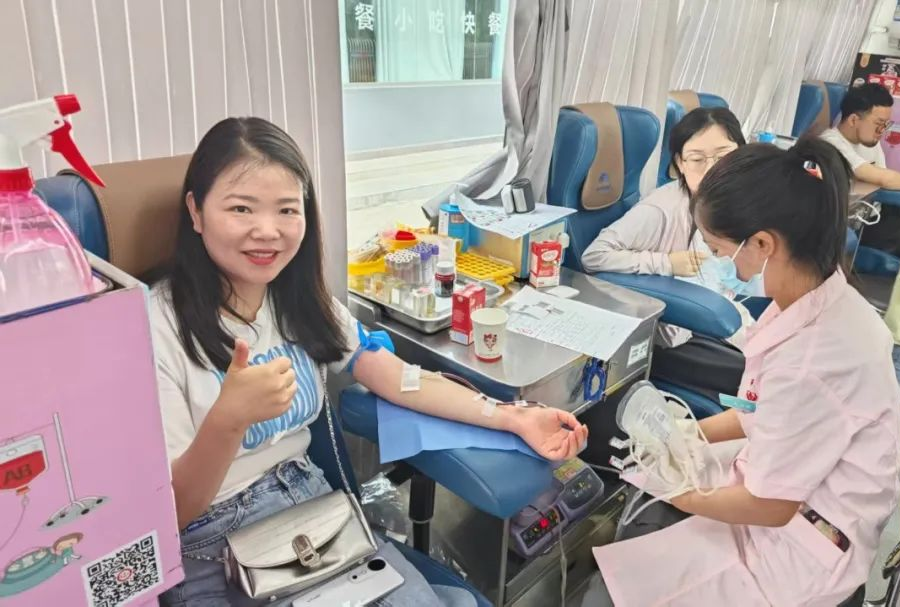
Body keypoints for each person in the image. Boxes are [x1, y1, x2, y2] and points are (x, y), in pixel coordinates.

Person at [152, 117, 588, 607]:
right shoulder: (155, 326)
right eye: (241, 208)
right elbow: (171, 514)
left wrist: (512, 416)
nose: (267, 231)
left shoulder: (297, 301)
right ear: (196, 211)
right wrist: (227, 421)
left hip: (315, 515)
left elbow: (400, 380)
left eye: (287, 210)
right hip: (212, 544)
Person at [581, 138, 900, 606]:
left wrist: (678, 491)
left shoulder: (810, 361)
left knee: (618, 589)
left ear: (764, 244)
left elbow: (770, 506)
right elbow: (759, 409)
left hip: (802, 548)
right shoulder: (822, 296)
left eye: (717, 248)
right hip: (802, 487)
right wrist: (686, 435)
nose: (714, 260)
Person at [580, 107, 748, 348]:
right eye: (697, 159)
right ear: (680, 163)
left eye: (723, 157)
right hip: (686, 327)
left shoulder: (726, 201)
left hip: (722, 307)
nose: (712, 169)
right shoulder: (661, 210)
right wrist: (666, 263)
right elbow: (594, 256)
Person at [820, 82, 900, 255]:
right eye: (879, 123)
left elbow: (886, 179)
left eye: (886, 124)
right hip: (858, 223)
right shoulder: (831, 143)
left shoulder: (870, 142)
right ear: (854, 120)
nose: (882, 131)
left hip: (879, 214)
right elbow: (882, 178)